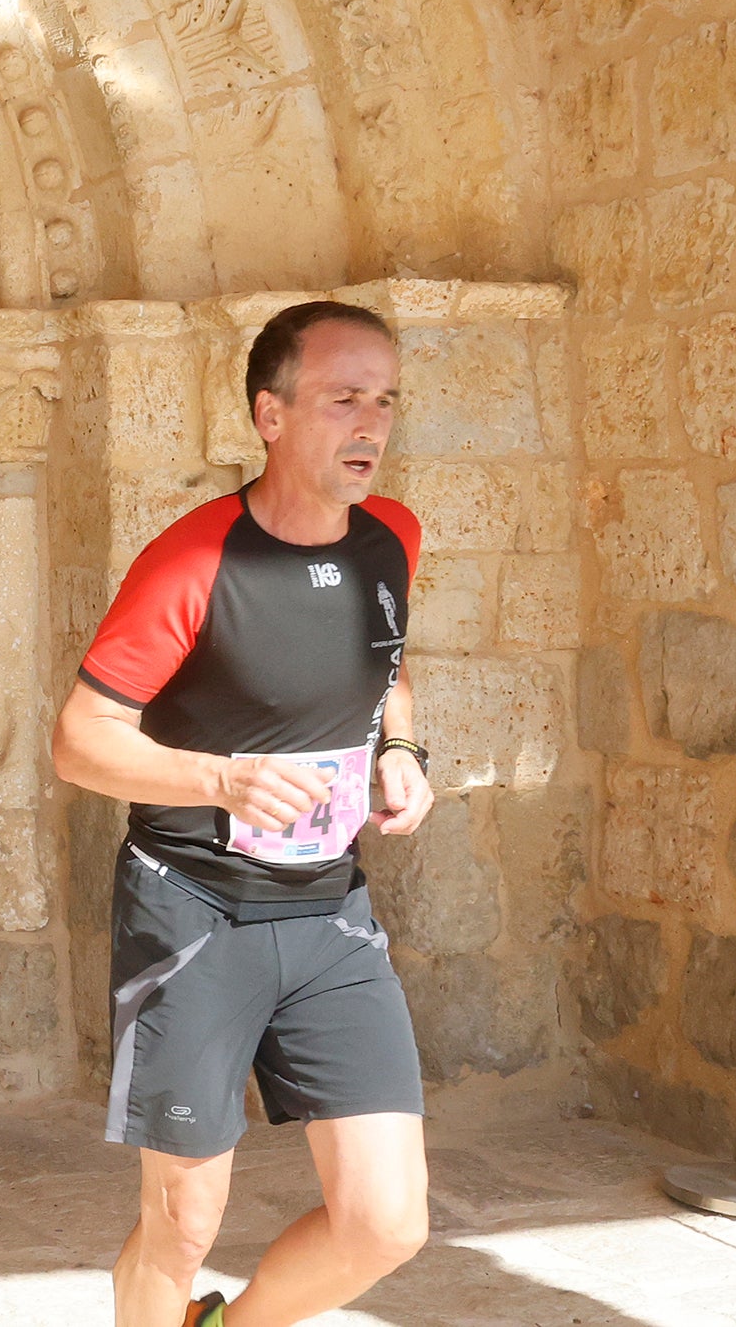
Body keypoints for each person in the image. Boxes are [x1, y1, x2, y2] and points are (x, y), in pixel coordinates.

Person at [50, 301, 435, 1327]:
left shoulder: (392, 538)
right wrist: (222, 780)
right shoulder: (192, 560)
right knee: (181, 1223)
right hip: (194, 913)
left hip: (328, 913)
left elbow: (387, 667)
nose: (370, 423)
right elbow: (78, 739)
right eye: (342, 399)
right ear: (270, 415)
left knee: (386, 1222)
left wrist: (400, 750)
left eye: (384, 400)